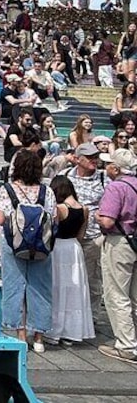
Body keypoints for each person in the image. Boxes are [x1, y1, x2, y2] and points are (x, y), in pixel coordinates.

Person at [0, 150, 56, 354]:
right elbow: (53, 217)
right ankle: (38, 337)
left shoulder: (7, 189)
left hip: (13, 243)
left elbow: (1, 219)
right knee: (40, 287)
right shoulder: (46, 191)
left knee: (14, 285)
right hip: (41, 244)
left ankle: (19, 333)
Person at [95, 148, 137, 363]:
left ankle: (127, 345)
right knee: (135, 296)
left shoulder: (116, 187)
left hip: (120, 242)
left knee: (117, 294)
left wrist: (97, 216)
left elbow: (108, 221)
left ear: (116, 168)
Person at [44, 175, 94, 346]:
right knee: (75, 290)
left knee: (57, 288)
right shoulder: (85, 209)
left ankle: (54, 330)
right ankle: (71, 332)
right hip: (74, 248)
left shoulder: (59, 208)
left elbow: (51, 231)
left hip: (58, 248)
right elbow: (81, 235)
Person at [61, 142, 109, 322]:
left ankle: (92, 318)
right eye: (89, 157)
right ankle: (68, 318)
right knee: (68, 279)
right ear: (77, 159)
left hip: (93, 236)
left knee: (92, 280)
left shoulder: (104, 178)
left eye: (95, 156)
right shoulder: (65, 176)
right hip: (68, 236)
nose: (94, 160)